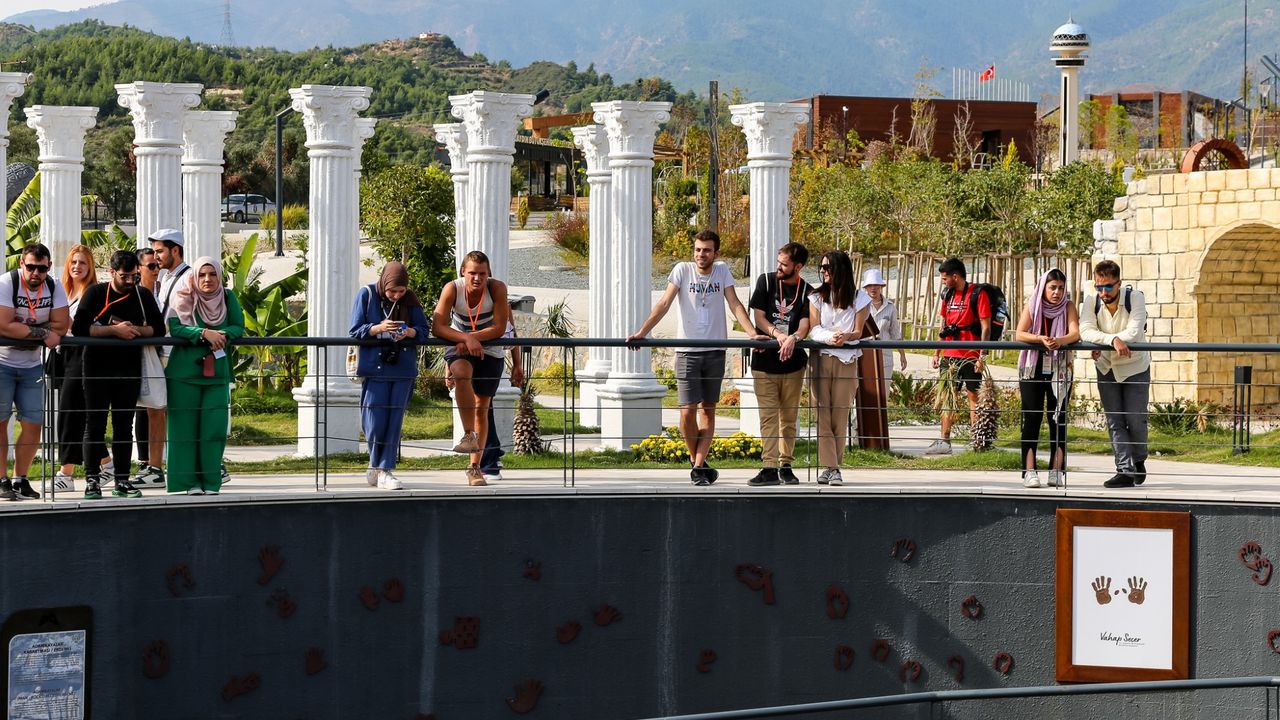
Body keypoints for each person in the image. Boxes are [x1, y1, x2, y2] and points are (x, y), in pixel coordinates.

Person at [626, 230, 763, 486]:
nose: (701, 254)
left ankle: (699, 466)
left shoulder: (722, 271)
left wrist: (752, 333)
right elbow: (664, 303)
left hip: (714, 351)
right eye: (698, 249)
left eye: (707, 250)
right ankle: (696, 462)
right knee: (687, 411)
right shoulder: (682, 270)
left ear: (716, 253)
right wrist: (642, 332)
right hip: (687, 351)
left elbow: (735, 304)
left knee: (707, 410)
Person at [72, 250, 164, 499]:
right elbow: (79, 327)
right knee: (95, 424)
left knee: (124, 426)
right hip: (96, 368)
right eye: (125, 276)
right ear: (112, 272)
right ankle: (92, 480)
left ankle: (122, 480)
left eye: (134, 276)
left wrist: (134, 331)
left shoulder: (143, 295)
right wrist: (113, 331)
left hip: (129, 368)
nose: (130, 281)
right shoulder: (95, 292)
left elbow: (158, 328)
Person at [165, 257, 245, 495]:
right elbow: (175, 326)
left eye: (212, 274)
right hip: (184, 375)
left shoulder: (227, 297)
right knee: (183, 432)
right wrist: (203, 333)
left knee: (214, 430)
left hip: (216, 376)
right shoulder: (183, 295)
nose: (207, 279)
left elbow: (238, 326)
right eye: (202, 274)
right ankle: (188, 483)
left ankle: (211, 483)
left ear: (219, 276)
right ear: (194, 277)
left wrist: (221, 335)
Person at [432, 251, 511, 486]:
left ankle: (475, 467)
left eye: (482, 274)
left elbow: (500, 328)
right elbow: (438, 326)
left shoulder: (497, 288)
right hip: (460, 342)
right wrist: (466, 339)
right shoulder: (452, 289)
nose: (477, 278)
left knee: (482, 407)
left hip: (490, 348)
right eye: (472, 273)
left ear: (489, 274)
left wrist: (472, 338)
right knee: (461, 373)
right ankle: (469, 434)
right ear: (462, 272)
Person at [349, 262, 430, 491]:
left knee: (394, 421)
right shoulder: (367, 295)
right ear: (383, 283)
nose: (396, 296)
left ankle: (384, 469)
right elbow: (355, 330)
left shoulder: (410, 300)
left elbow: (424, 331)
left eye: (401, 291)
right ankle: (375, 464)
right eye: (392, 291)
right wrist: (378, 328)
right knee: (374, 420)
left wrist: (409, 332)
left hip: (402, 368)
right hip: (375, 368)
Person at [0, 243, 69, 501]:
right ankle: (2, 480)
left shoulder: (53, 286)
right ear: (22, 264)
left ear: (48, 267)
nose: (36, 273)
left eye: (42, 268)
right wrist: (42, 332)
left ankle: (21, 479)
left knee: (33, 425)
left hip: (32, 366)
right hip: (2, 363)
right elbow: (3, 325)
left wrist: (22, 329)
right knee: (0, 423)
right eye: (31, 267)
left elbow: (62, 325)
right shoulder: (6, 283)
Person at [1079, 260, 1151, 489]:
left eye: (1108, 287)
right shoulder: (1091, 301)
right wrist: (1112, 340)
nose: (1103, 293)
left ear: (1119, 283)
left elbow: (1135, 331)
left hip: (1134, 367)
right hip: (1106, 367)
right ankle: (1124, 469)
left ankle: (1138, 459)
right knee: (1114, 420)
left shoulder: (1135, 297)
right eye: (1099, 287)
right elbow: (1085, 330)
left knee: (1135, 418)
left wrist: (1105, 340)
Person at [746, 242, 812, 487]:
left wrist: (794, 338)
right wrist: (778, 335)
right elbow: (759, 316)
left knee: (789, 417)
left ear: (798, 266)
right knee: (768, 417)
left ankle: (786, 465)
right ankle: (769, 466)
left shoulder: (807, 291)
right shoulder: (766, 281)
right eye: (778, 262)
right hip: (764, 363)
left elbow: (805, 324)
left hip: (793, 365)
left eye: (784, 264)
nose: (779, 267)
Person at [807, 250, 872, 486]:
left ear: (840, 269)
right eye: (822, 267)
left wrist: (845, 337)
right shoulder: (816, 297)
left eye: (828, 267)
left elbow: (858, 331)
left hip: (846, 359)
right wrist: (829, 337)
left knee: (840, 413)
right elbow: (814, 328)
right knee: (821, 412)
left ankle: (833, 466)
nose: (823, 271)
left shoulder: (860, 298)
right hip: (821, 358)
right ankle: (831, 467)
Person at [133, 227, 189, 487]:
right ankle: (155, 467)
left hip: (176, 353)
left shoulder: (188, 277)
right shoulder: (168, 278)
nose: (155, 257)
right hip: (164, 351)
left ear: (174, 250)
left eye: (159, 251)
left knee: (172, 411)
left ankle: (162, 467)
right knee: (156, 410)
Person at [1014, 269, 1080, 489]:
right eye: (1052, 287)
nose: (1057, 292)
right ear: (1043, 287)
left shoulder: (1068, 307)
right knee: (1032, 417)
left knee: (1058, 417)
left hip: (1059, 368)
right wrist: (1039, 339)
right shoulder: (1033, 305)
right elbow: (1019, 333)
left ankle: (1056, 470)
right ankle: (1029, 470)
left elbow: (1075, 333)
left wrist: (1060, 341)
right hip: (1032, 367)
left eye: (1060, 288)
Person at [53, 244, 108, 492]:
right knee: (78, 414)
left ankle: (66, 472)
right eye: (73, 262)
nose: (77, 266)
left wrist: (63, 321)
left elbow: (88, 326)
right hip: (63, 355)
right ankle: (107, 462)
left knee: (70, 413)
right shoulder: (63, 291)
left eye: (83, 262)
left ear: (90, 267)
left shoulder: (94, 293)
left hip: (83, 355)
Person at [925, 258, 992, 455]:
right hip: (949, 354)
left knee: (974, 396)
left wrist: (982, 356)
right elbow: (943, 325)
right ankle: (944, 440)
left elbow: (986, 327)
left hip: (971, 354)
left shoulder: (978, 294)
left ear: (955, 276)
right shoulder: (947, 294)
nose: (943, 282)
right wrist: (937, 352)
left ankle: (978, 441)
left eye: (945, 278)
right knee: (947, 396)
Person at [133, 247, 166, 483]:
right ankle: (145, 462)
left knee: (157, 408)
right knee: (143, 409)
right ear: (139, 268)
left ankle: (155, 465)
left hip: (163, 354)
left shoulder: (163, 289)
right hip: (143, 355)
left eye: (158, 265)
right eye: (151, 266)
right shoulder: (135, 293)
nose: (156, 270)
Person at [477, 322, 524, 483]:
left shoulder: (501, 305)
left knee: (482, 409)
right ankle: (492, 455)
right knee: (481, 409)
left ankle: (490, 460)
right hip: (468, 355)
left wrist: (517, 364)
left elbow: (510, 329)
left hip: (490, 357)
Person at [861, 268, 908, 386]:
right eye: (870, 285)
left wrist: (902, 354)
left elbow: (895, 332)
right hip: (864, 356)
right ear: (865, 287)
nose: (873, 288)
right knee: (865, 391)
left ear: (881, 286)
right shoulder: (860, 306)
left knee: (883, 391)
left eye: (876, 285)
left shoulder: (890, 307)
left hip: (885, 357)